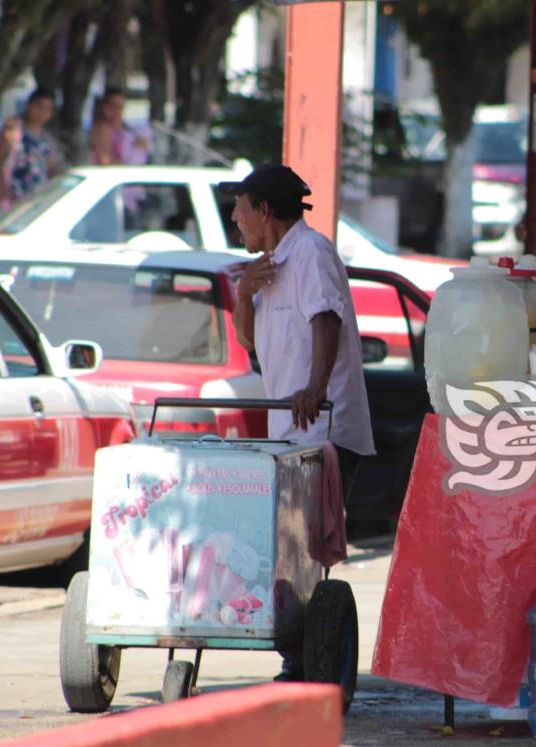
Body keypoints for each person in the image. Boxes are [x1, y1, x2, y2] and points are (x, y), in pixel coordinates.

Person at [222, 163, 374, 680]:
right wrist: (244, 293)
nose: (235, 221)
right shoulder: (268, 263)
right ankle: (300, 656)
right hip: (288, 431)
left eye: (240, 210)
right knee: (287, 545)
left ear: (264, 210)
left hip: (324, 426)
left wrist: (314, 386)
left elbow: (325, 319)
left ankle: (307, 662)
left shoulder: (310, 251)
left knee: (307, 547)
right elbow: (246, 340)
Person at [89, 88, 150, 166]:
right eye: (113, 106)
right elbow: (105, 160)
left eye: (120, 107)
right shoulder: (101, 128)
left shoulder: (125, 128)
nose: (117, 111)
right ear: (104, 107)